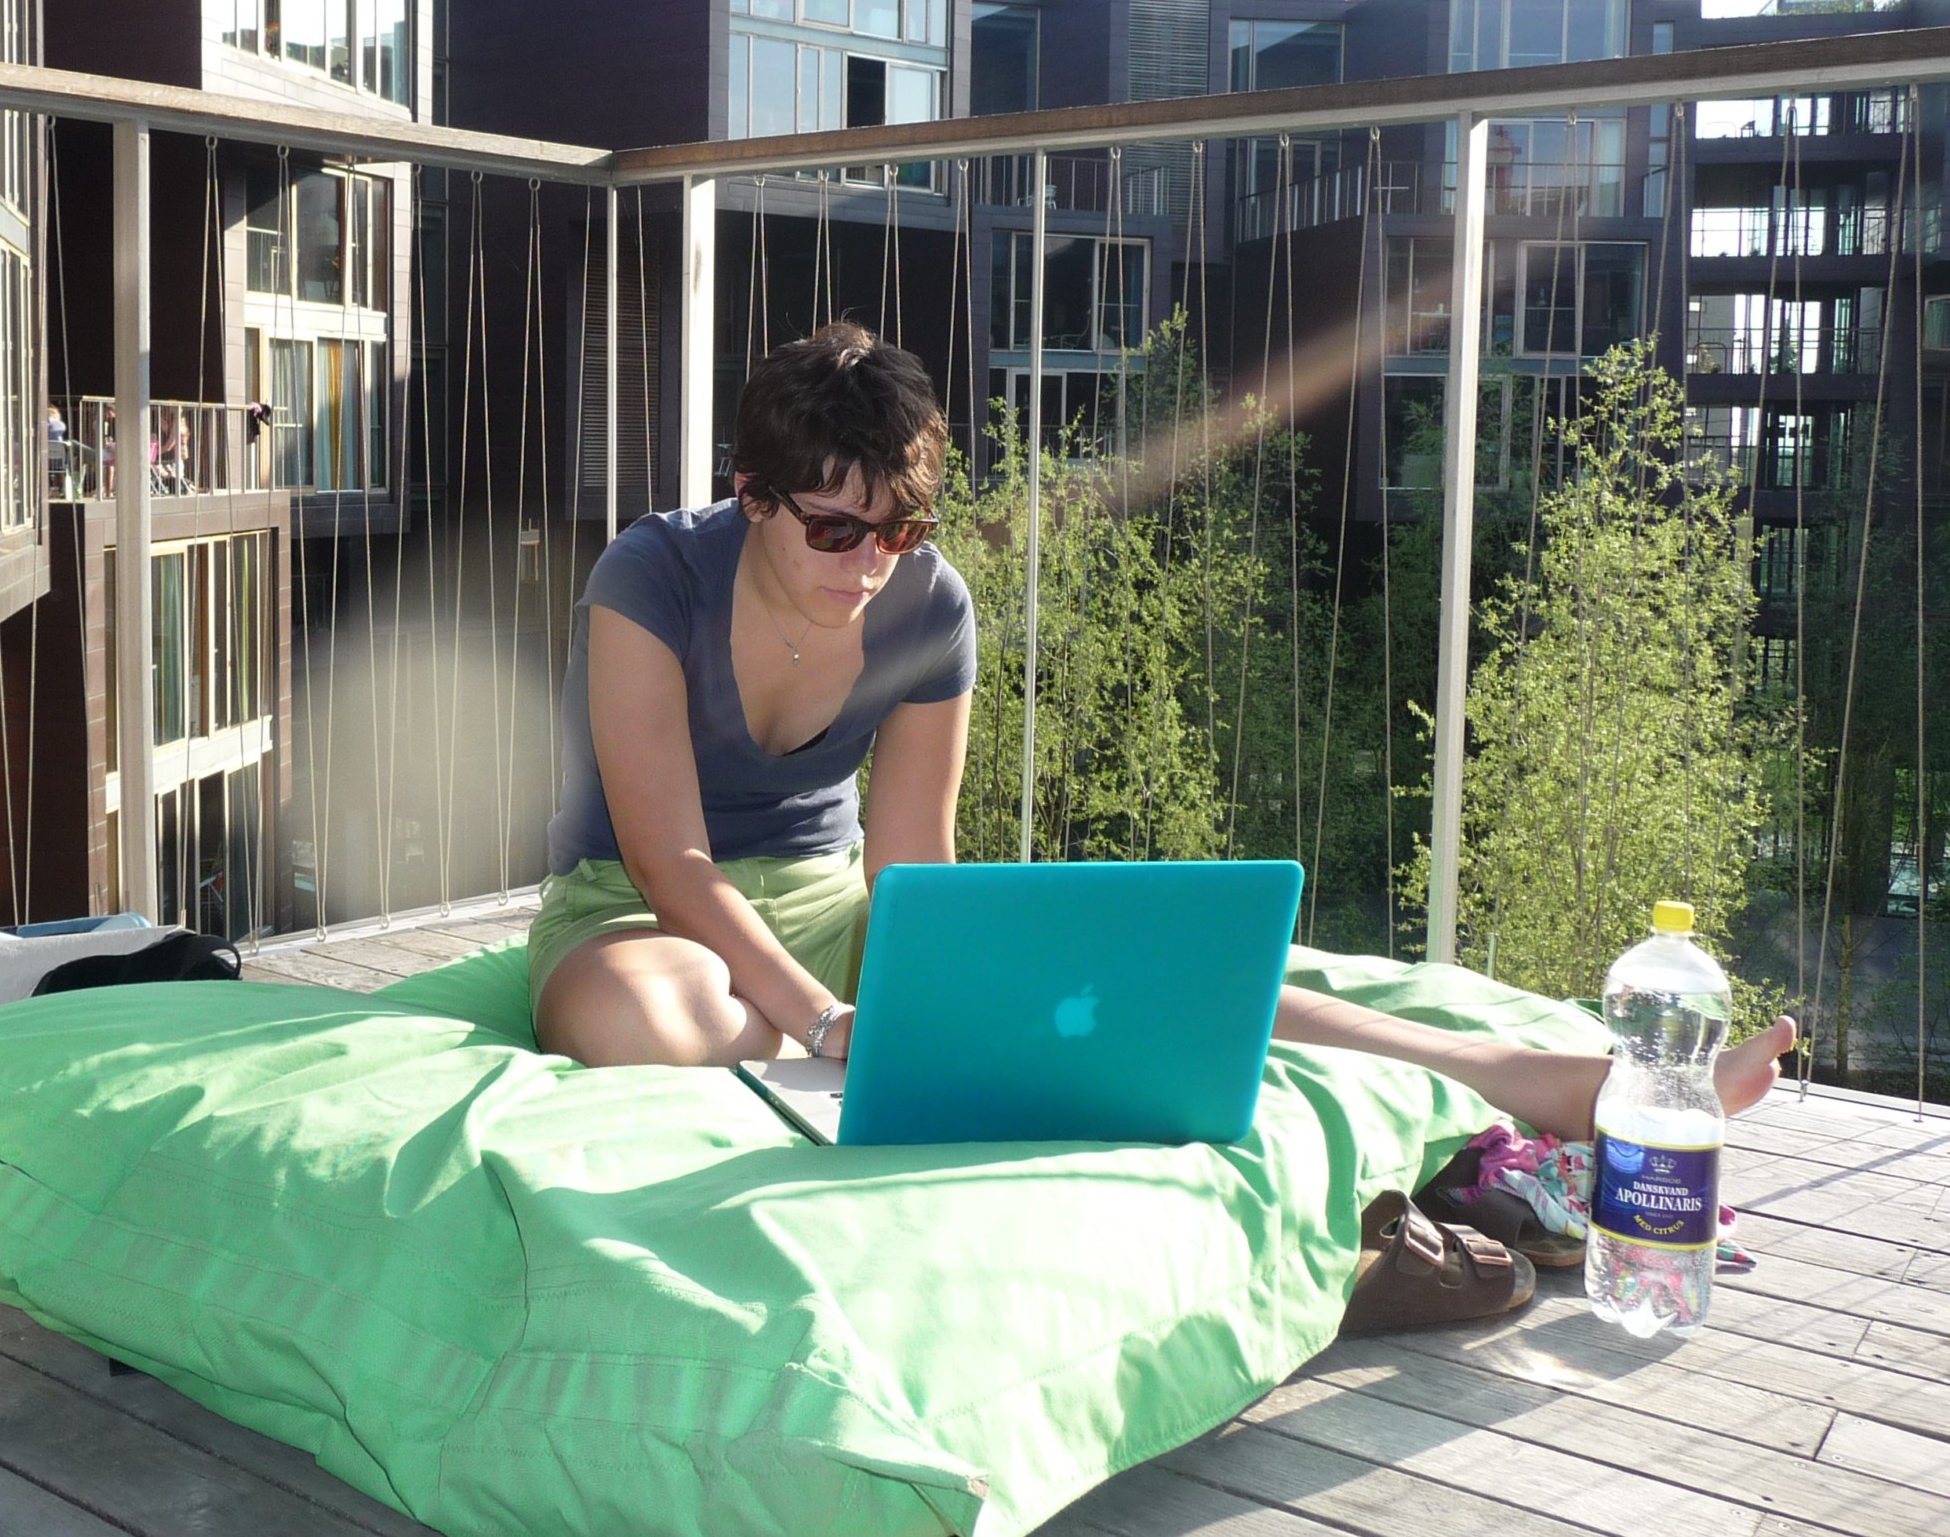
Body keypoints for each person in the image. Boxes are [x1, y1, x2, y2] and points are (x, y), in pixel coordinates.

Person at [531, 322, 1796, 1143]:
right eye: (834, 530)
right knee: (638, 1012)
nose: (871, 563)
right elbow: (669, 866)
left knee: (1162, 978)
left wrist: (946, 975)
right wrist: (826, 1022)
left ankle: (1553, 1082)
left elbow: (909, 858)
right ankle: (845, 1043)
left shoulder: (930, 604)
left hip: (832, 911)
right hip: (651, 922)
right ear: (749, 496)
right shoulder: (649, 577)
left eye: (901, 530)